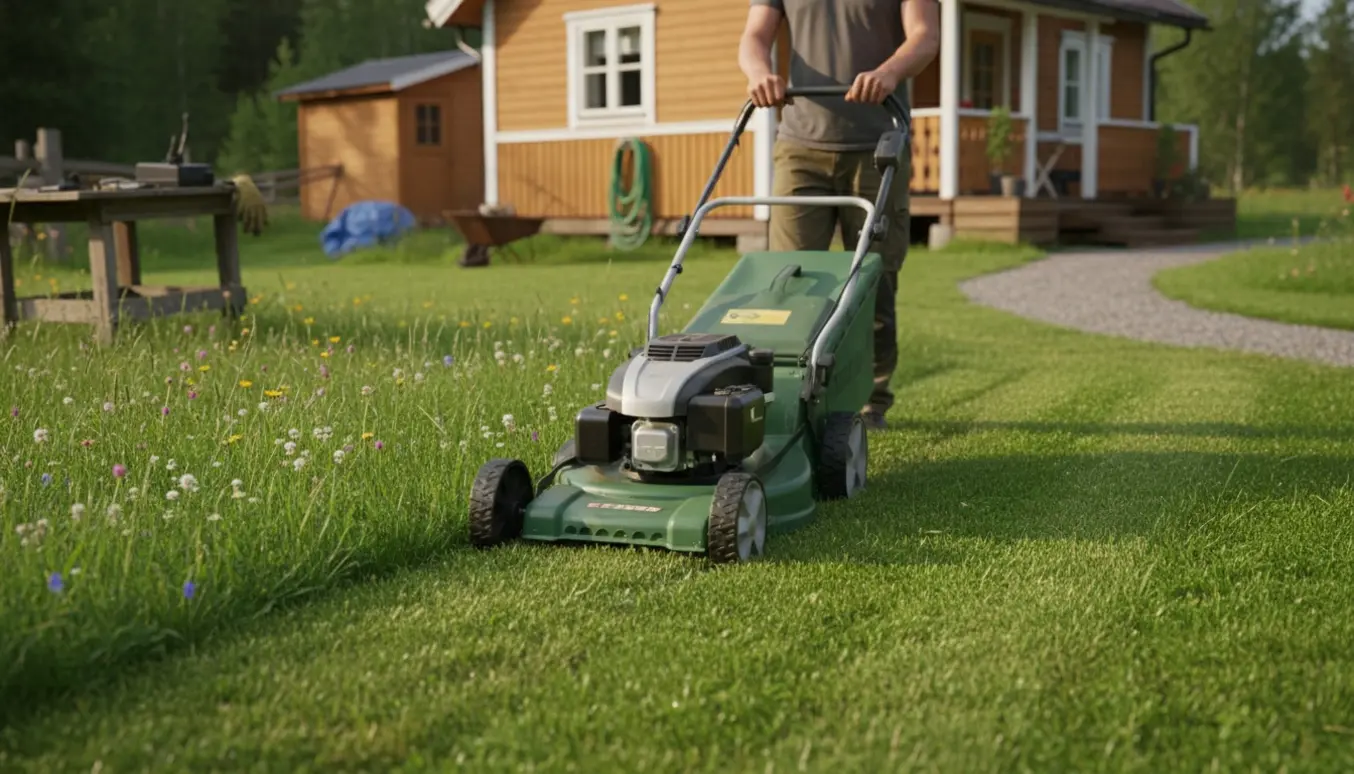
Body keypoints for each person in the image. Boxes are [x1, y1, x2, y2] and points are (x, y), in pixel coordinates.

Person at [738, 0, 940, 431]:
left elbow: (925, 36)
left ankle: (871, 404)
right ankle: (786, 399)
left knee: (874, 283)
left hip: (878, 144)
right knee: (787, 283)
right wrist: (759, 73)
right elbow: (755, 37)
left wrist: (889, 72)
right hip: (799, 146)